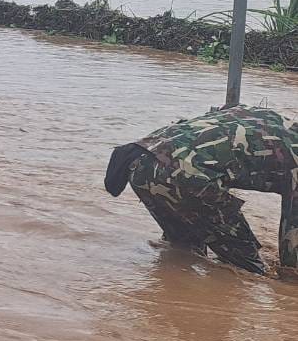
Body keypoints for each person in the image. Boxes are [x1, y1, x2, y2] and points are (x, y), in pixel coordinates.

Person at [104, 105, 298, 276]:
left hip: (140, 164)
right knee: (247, 266)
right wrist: (289, 280)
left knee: (182, 251)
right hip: (185, 175)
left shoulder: (269, 117)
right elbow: (293, 239)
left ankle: (171, 300)